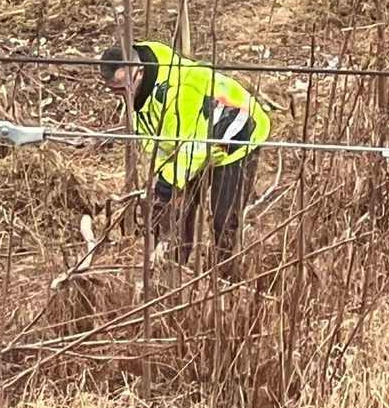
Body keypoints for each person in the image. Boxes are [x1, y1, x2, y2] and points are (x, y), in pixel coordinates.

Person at [99, 40, 270, 271]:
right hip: (191, 148)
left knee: (224, 219)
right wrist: (161, 179)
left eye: (120, 87)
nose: (118, 95)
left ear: (138, 72)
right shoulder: (138, 91)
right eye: (112, 90)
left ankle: (225, 278)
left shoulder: (179, 92)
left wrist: (167, 184)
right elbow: (159, 143)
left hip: (235, 139)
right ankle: (173, 272)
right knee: (175, 214)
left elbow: (193, 147)